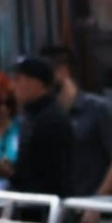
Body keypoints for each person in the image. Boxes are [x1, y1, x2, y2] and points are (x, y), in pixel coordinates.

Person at [40, 45, 112, 223]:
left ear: (62, 72)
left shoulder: (100, 109)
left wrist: (97, 202)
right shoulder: (49, 116)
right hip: (63, 210)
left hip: (99, 211)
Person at [10, 56, 74, 207]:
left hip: (46, 208)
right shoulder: (29, 116)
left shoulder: (53, 119)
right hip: (27, 204)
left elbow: (53, 174)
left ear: (36, 83)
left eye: (19, 80)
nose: (13, 86)